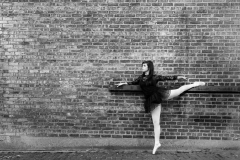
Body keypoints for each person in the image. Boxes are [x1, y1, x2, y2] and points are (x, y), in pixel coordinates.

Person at [115, 60, 205, 155]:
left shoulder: (154, 77)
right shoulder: (140, 78)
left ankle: (195, 84)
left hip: (159, 94)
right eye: (142, 66)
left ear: (149, 67)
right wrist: (123, 83)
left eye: (144, 65)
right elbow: (132, 83)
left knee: (178, 91)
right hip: (152, 100)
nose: (142, 67)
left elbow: (167, 78)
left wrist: (179, 77)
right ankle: (157, 143)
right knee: (156, 122)